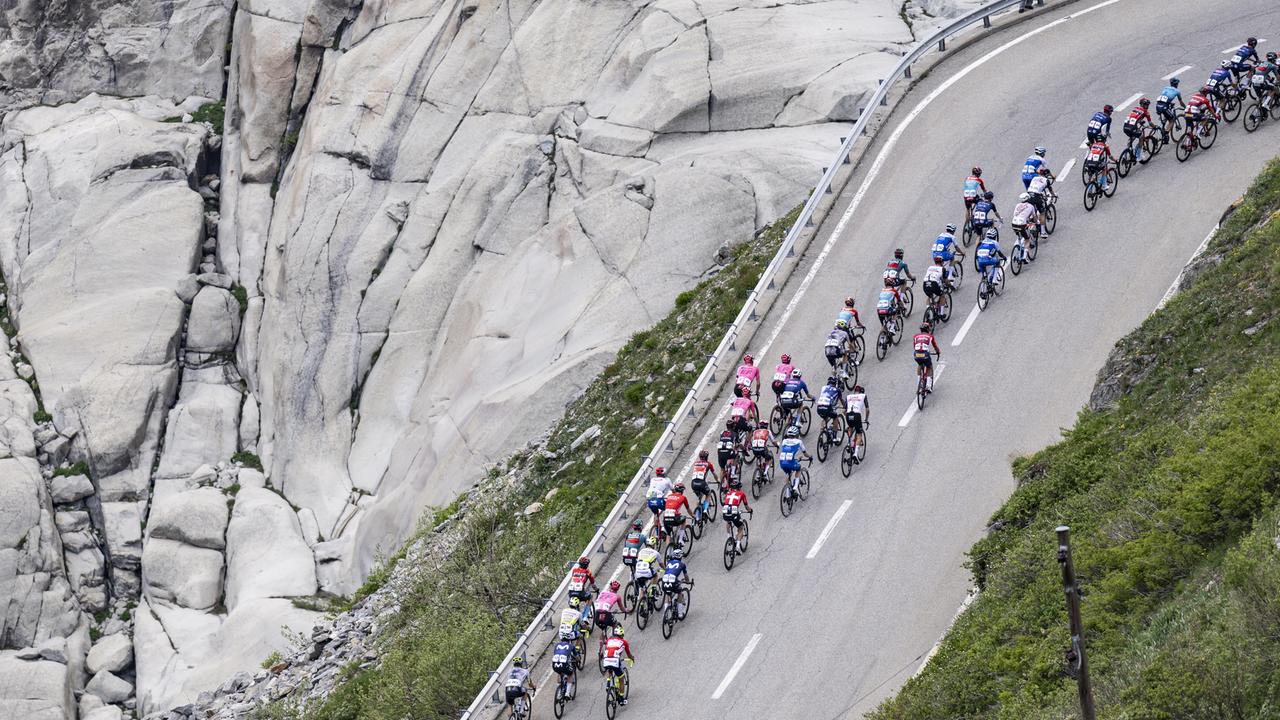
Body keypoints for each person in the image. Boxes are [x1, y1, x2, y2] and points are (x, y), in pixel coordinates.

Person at [600, 627, 635, 705]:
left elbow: (605, 646)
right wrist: (632, 658)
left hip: (606, 660)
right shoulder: (624, 642)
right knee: (621, 678)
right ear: (621, 634)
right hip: (615, 661)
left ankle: (608, 684)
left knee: (609, 669)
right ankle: (621, 699)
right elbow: (629, 654)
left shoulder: (609, 640)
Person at [778, 426, 811, 498]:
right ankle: (795, 487)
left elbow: (787, 452)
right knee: (798, 468)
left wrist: (796, 459)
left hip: (782, 462)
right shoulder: (799, 442)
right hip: (791, 462)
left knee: (788, 474)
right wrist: (810, 457)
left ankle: (787, 494)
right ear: (796, 434)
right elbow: (805, 454)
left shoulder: (784, 441)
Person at [722, 474, 752, 551]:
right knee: (741, 527)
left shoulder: (728, 493)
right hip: (734, 512)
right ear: (739, 487)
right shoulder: (742, 494)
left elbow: (725, 501)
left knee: (728, 521)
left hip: (725, 511)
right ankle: (738, 546)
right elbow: (746, 507)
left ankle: (729, 537)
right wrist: (750, 510)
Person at [660, 547, 690, 620]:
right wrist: (688, 581)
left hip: (664, 580)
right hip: (673, 580)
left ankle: (665, 613)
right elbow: (686, 576)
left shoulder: (668, 562)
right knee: (679, 592)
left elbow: (668, 571)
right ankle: (680, 613)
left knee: (667, 594)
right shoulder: (682, 564)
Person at [931, 224, 966, 288]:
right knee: (952, 257)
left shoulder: (941, 234)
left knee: (940, 266)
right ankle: (949, 276)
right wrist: (962, 253)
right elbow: (957, 249)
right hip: (942, 254)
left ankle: (941, 279)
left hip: (934, 254)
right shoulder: (952, 237)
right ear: (953, 231)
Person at [913, 323, 942, 393]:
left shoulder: (915, 336)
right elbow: (935, 346)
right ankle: (928, 386)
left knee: (920, 365)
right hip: (925, 354)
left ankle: (918, 385)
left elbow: (915, 346)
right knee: (929, 367)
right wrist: (938, 352)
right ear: (928, 329)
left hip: (916, 354)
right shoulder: (930, 336)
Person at [1122, 98, 1153, 163]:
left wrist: (1140, 121)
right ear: (1142, 104)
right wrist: (1154, 127)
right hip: (1132, 127)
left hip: (1125, 127)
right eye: (1146, 105)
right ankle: (1138, 155)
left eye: (1147, 105)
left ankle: (1125, 156)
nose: (1147, 106)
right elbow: (1150, 123)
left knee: (1130, 139)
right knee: (1141, 137)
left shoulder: (1135, 108)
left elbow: (1135, 118)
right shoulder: (1146, 112)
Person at [844, 384, 869, 460]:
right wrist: (866, 419)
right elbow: (867, 410)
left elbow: (844, 411)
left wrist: (849, 419)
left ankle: (849, 444)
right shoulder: (863, 396)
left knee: (850, 427)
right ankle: (855, 454)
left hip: (848, 415)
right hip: (857, 415)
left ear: (855, 391)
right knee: (859, 435)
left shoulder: (848, 396)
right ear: (862, 392)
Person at [1011, 192, 1038, 260]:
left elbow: (1015, 214)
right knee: (1027, 239)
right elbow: (1034, 218)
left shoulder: (1017, 205)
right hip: (1022, 224)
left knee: (1019, 236)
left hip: (1014, 223)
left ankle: (1016, 251)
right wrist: (1036, 222)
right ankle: (1024, 257)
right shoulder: (1031, 206)